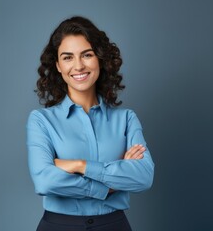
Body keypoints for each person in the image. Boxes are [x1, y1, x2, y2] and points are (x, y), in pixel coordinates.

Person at [27, 16, 155, 231]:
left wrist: (79, 165)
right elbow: (45, 182)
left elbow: (143, 177)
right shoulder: (41, 121)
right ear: (58, 66)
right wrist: (108, 186)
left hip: (114, 225)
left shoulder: (126, 119)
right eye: (68, 57)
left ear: (100, 59)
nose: (78, 66)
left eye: (87, 55)